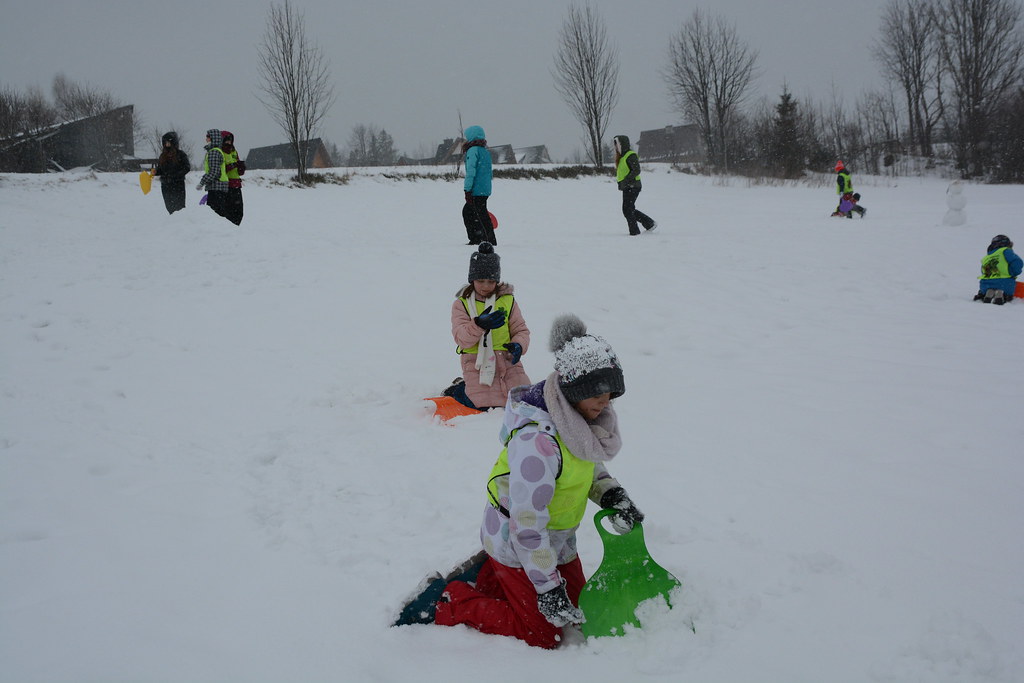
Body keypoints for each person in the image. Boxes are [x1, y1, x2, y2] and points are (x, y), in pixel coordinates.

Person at [433, 314, 645, 649]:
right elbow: (527, 527)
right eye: (598, 394)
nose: (606, 403)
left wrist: (612, 495)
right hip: (518, 540)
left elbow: (588, 467)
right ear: (575, 390)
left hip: (556, 538)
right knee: (543, 633)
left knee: (581, 606)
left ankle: (500, 581)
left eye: (611, 394)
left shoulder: (581, 420)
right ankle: (456, 600)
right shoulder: (537, 444)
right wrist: (548, 589)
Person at [445, 242, 530, 410]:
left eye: (491, 281)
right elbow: (462, 339)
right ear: (472, 280)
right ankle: (459, 389)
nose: (485, 286)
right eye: (480, 280)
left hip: (507, 360)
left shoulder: (507, 300)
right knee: (482, 404)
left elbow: (520, 330)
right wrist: (478, 325)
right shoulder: (461, 304)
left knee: (524, 399)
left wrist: (518, 345)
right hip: (477, 361)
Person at [613, 134, 656, 236]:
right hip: (627, 187)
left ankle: (635, 232)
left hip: (633, 186)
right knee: (628, 209)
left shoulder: (630, 155)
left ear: (622, 144)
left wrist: (626, 180)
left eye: (616, 144)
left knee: (627, 209)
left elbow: (636, 170)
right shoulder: (622, 157)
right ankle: (649, 223)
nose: (615, 147)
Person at [462, 125, 496, 246]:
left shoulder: (473, 150)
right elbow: (489, 172)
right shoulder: (485, 151)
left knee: (478, 215)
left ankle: (487, 240)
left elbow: (471, 172)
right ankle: (480, 239)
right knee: (473, 212)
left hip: (476, 189)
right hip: (485, 188)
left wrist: (467, 189)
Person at [974, 234, 1022, 305]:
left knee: (986, 288)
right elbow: (1017, 262)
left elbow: (983, 271)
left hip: (986, 284)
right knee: (1007, 292)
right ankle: (1001, 294)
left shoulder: (987, 257)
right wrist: (1013, 272)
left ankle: (989, 293)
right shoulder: (1005, 251)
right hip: (1005, 282)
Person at [152, 131, 189, 214]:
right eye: (165, 142)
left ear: (174, 142)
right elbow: (161, 169)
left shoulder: (180, 154)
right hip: (165, 185)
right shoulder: (163, 156)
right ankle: (172, 222)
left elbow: (187, 167)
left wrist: (176, 175)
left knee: (179, 207)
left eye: (169, 142)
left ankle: (182, 223)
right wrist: (156, 172)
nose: (167, 144)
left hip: (177, 184)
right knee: (169, 206)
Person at [195, 129, 229, 220]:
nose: (206, 139)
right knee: (219, 214)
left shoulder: (214, 152)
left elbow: (214, 172)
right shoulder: (216, 150)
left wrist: (202, 182)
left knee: (216, 215)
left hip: (217, 186)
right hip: (219, 186)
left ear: (213, 138)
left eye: (208, 137)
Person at [220, 130, 245, 225]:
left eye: (230, 141)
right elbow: (220, 170)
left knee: (239, 211)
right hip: (226, 186)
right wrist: (232, 165)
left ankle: (237, 229)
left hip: (237, 185)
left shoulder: (234, 151)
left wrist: (241, 167)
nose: (229, 143)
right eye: (226, 141)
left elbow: (239, 170)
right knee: (228, 211)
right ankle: (229, 229)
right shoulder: (220, 152)